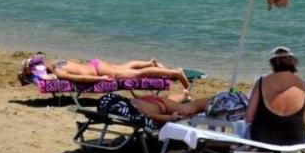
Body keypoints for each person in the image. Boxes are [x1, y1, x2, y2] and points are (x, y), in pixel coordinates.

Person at [244, 46, 305, 146]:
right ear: (293, 63)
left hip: (262, 138)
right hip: (296, 139)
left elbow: (249, 117)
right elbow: (304, 119)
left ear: (272, 63)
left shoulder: (262, 82)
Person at [20, 55, 192, 91]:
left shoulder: (58, 70)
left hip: (96, 70)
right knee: (126, 67)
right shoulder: (57, 61)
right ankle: (150, 62)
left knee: (136, 75)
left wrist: (100, 78)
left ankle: (173, 73)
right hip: (95, 63)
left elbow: (79, 77)